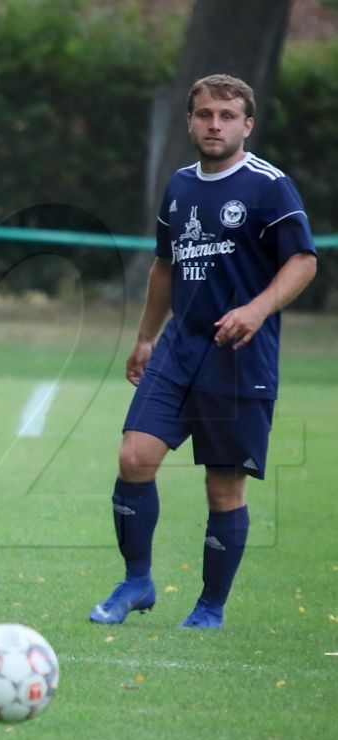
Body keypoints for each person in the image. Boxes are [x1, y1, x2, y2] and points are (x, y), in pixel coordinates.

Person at [89, 74, 317, 629]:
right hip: (179, 348)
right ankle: (137, 582)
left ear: (247, 125)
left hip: (241, 355)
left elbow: (304, 261)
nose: (215, 124)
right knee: (134, 458)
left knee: (223, 487)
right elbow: (165, 267)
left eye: (227, 116)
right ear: (190, 121)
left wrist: (257, 309)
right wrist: (145, 336)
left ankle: (210, 607)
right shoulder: (180, 187)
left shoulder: (269, 185)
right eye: (206, 114)